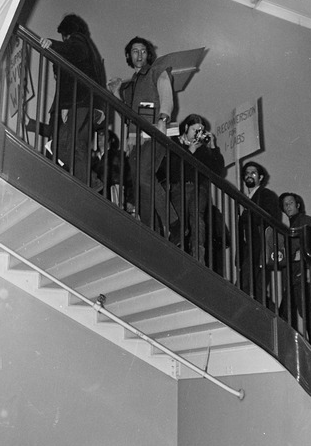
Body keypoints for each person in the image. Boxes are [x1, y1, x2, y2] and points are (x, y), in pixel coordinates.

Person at [108, 36, 176, 233]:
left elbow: (166, 93)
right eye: (135, 51)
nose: (139, 55)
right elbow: (127, 115)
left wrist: (164, 118)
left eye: (143, 51)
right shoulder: (130, 86)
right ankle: (150, 228)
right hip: (136, 139)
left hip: (154, 132)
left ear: (148, 54)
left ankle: (173, 221)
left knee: (144, 176)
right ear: (129, 56)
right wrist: (116, 92)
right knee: (139, 181)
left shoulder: (156, 70)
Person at [33, 14, 107, 184]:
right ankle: (90, 182)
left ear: (67, 33)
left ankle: (89, 181)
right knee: (77, 146)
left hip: (81, 101)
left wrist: (53, 44)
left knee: (60, 145)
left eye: (64, 37)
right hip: (88, 103)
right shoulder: (90, 49)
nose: (65, 40)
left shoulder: (78, 39)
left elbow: (75, 50)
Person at [166, 114, 225, 262]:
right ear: (186, 127)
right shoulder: (175, 143)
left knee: (197, 219)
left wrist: (213, 147)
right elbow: (172, 169)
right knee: (179, 219)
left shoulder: (204, 150)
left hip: (199, 188)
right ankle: (176, 256)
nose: (198, 133)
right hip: (179, 187)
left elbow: (218, 171)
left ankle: (198, 256)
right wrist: (190, 150)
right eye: (195, 129)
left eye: (201, 130)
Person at [278, 192, 311, 340]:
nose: (288, 206)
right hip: (295, 274)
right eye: (285, 204)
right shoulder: (293, 224)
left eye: (290, 203)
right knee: (293, 311)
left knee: (304, 311)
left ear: (298, 205)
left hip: (302, 273)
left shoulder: (306, 221)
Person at [238, 161, 282, 306]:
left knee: (248, 286)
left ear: (261, 177)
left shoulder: (266, 195)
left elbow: (271, 219)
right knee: (254, 288)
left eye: (253, 173)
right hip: (249, 248)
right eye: (247, 173)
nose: (249, 176)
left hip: (259, 248)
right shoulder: (246, 198)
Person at [91, 128, 134, 210]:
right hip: (98, 198)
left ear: (110, 139)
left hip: (115, 197)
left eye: (102, 135)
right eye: (98, 135)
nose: (99, 137)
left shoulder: (119, 155)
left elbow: (129, 177)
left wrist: (130, 200)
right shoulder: (92, 159)